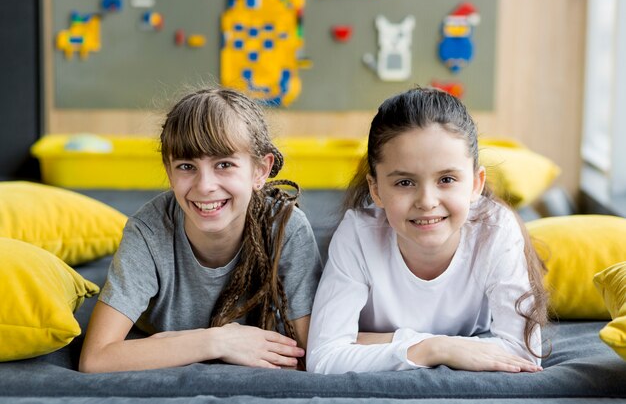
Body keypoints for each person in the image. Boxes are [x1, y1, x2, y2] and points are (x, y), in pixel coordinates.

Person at [306, 87, 549, 374]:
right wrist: (436, 348)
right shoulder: (358, 234)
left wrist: (386, 342)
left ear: (475, 184)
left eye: (446, 179)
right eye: (405, 183)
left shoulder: (495, 230)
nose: (427, 202)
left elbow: (524, 355)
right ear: (376, 189)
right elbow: (323, 359)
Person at [79, 87, 322, 373]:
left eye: (224, 164)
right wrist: (215, 342)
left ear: (260, 171)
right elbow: (95, 358)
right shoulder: (148, 232)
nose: (205, 185)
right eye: (186, 166)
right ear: (169, 172)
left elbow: (314, 352)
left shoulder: (286, 228)